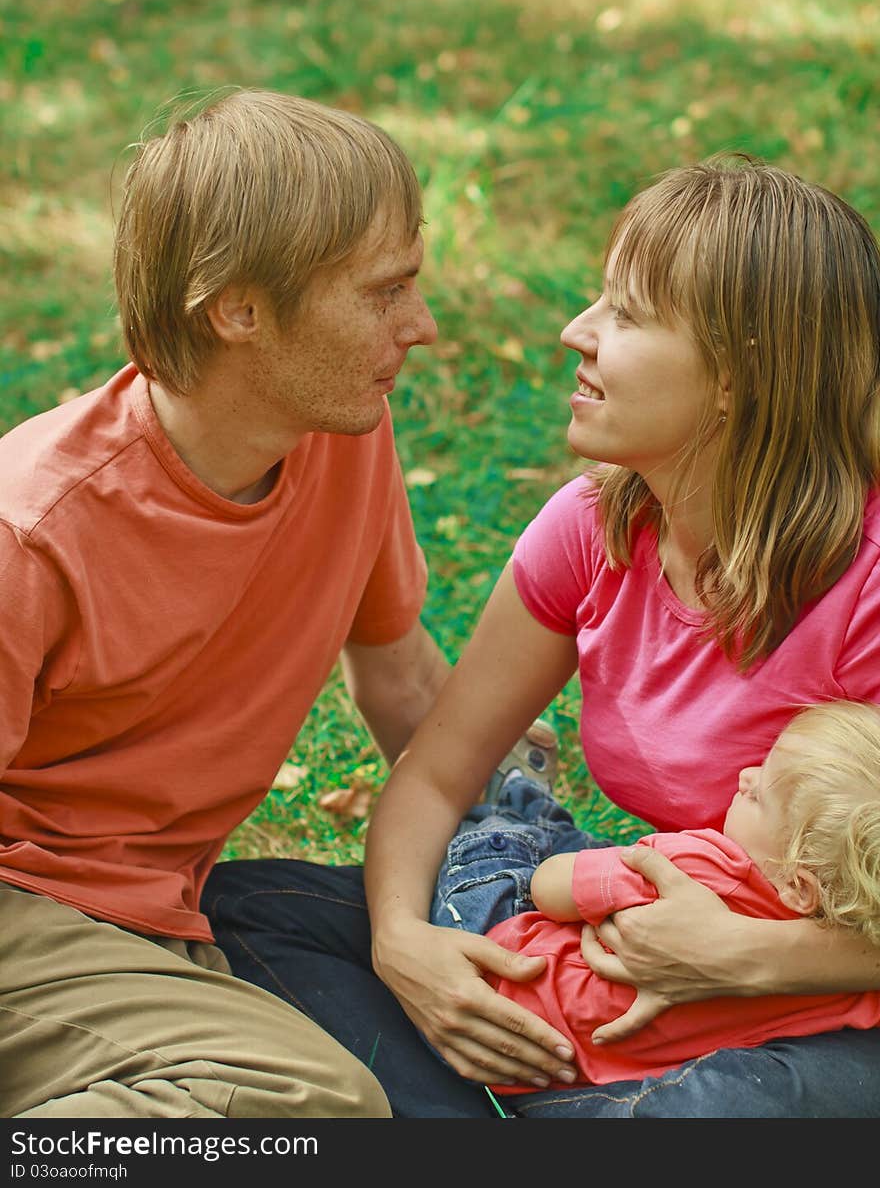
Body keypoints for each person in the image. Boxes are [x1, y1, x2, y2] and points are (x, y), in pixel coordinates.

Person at [206, 156, 880, 1117]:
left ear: (739, 379)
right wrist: (406, 947)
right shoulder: (593, 529)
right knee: (250, 910)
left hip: (810, 1017)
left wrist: (749, 956)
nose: (578, 332)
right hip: (628, 963)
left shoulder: (863, 591)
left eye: (629, 314)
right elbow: (439, 773)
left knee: (728, 1111)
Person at [0, 88, 450, 1119]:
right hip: (29, 910)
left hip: (159, 914)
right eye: (384, 292)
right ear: (240, 309)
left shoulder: (342, 438)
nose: (419, 327)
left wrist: (530, 863)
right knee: (306, 1101)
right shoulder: (32, 530)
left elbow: (406, 682)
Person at [429, 700, 880, 1090]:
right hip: (559, 1066)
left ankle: (517, 795)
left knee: (512, 844)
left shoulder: (692, 867)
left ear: (800, 885)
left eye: (759, 792)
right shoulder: (849, 987)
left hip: (496, 974)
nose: (744, 776)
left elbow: (549, 889)